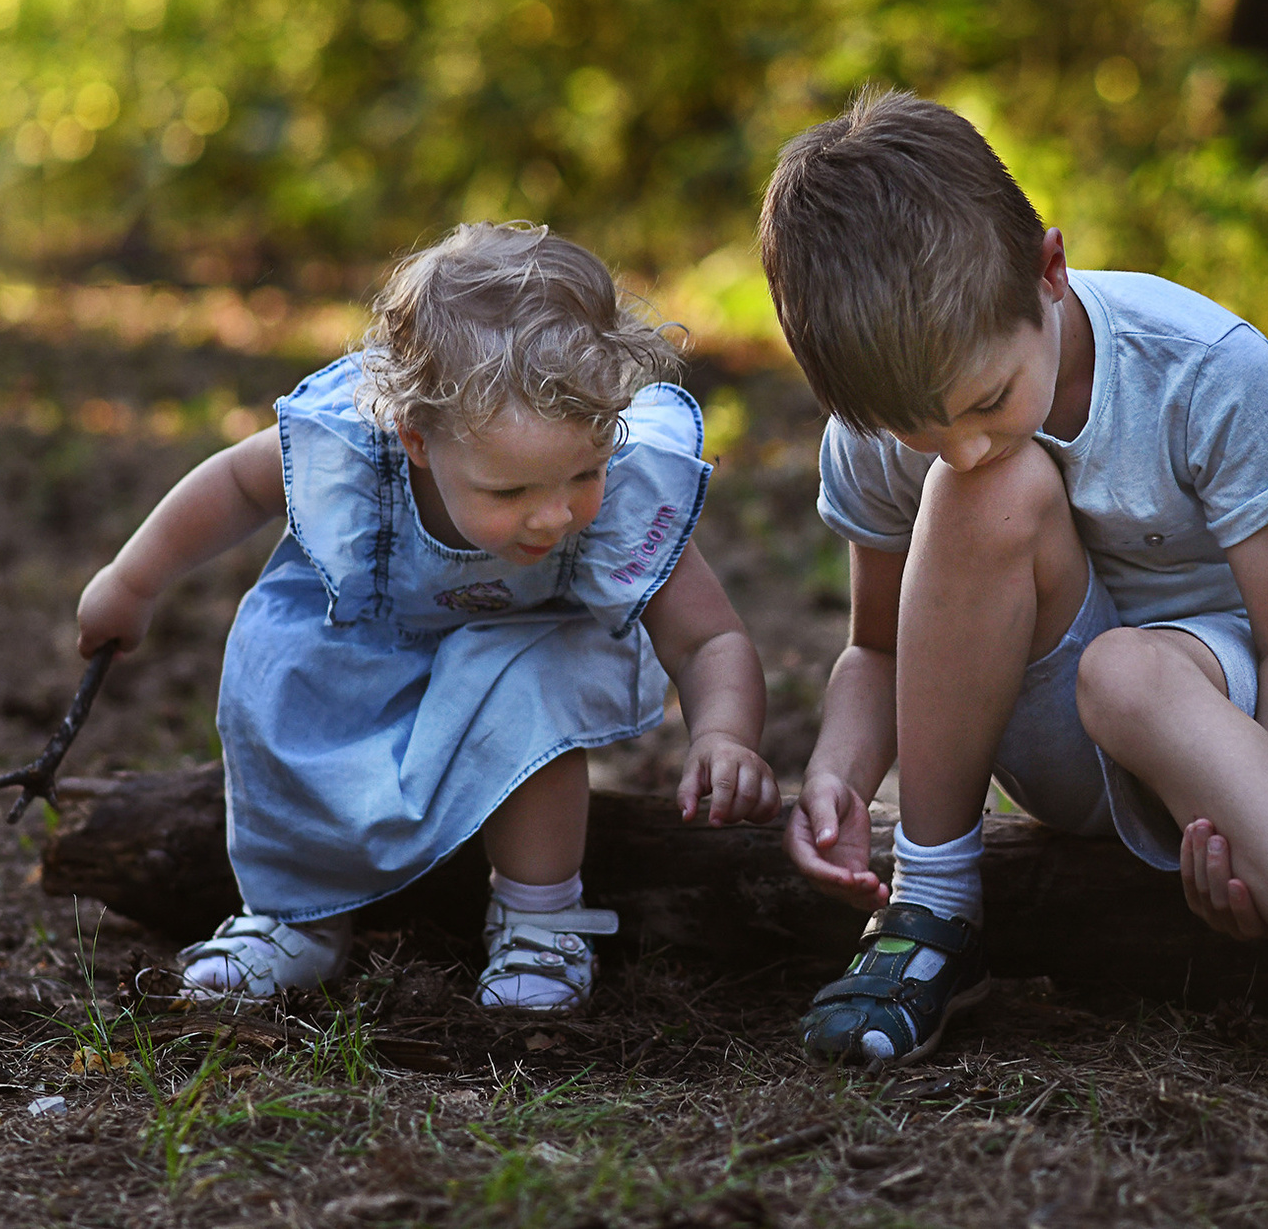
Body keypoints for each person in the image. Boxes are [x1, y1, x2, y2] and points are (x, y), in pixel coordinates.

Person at [759, 91, 1268, 1134]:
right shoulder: (899, 432)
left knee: (1128, 669)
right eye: (916, 432)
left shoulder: (1199, 365)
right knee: (989, 495)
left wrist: (1266, 818)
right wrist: (838, 768)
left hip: (1230, 701)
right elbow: (877, 647)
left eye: (983, 402)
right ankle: (931, 908)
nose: (957, 444)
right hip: (1049, 721)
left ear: (1047, 270)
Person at [73, 222, 779, 1009]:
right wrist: (131, 582)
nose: (553, 518)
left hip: (510, 657)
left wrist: (723, 733)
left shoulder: (619, 491)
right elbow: (237, 486)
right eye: (508, 493)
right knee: (280, 680)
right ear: (416, 438)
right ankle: (291, 915)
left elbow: (708, 635)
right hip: (361, 643)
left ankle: (541, 923)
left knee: (542, 680)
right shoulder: (354, 448)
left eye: (583, 473)